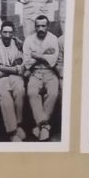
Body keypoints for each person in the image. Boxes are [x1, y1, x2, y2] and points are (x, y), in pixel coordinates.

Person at [23, 12, 63, 141]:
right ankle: (44, 126)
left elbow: (53, 61)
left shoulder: (53, 39)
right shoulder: (29, 40)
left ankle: (39, 126)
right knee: (32, 92)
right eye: (38, 26)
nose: (40, 29)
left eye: (43, 26)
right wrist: (44, 56)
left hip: (50, 72)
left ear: (48, 26)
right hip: (35, 73)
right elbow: (27, 63)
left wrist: (36, 55)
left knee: (53, 93)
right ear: (35, 26)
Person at [0, 20, 27, 141]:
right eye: (5, 32)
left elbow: (21, 65)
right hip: (1, 80)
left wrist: (2, 67)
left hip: (14, 77)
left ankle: (19, 124)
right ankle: (12, 132)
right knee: (6, 98)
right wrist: (12, 69)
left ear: (13, 33)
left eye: (10, 32)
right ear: (1, 33)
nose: (7, 35)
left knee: (19, 90)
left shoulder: (16, 44)